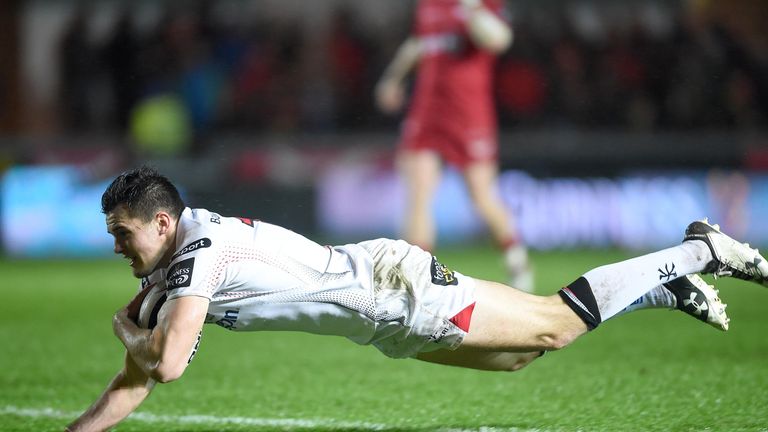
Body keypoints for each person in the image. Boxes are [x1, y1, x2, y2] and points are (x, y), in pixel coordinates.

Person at [67, 167, 768, 431]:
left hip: (391, 291)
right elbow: (136, 382)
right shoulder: (165, 274)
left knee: (553, 327)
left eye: (124, 233)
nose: (118, 247)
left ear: (163, 223)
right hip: (379, 318)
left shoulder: (197, 255)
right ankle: (660, 291)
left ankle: (699, 248)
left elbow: (166, 367)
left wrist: (129, 337)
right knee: (513, 362)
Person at [374, 0, 534, 291]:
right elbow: (420, 42)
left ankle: (516, 259)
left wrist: (472, 9)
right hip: (427, 109)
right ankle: (416, 276)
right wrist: (393, 78)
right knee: (418, 192)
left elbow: (499, 40)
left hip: (468, 112)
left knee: (482, 196)